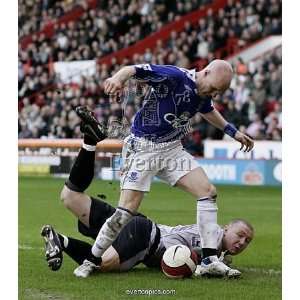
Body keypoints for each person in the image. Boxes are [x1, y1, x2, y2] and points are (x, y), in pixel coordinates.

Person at [61, 59, 254, 278]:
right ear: (206, 72)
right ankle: (91, 260)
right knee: (126, 212)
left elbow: (208, 110)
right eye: (214, 88)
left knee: (207, 192)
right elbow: (134, 69)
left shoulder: (204, 94)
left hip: (171, 149)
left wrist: (234, 132)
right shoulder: (175, 77)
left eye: (218, 92)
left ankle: (209, 259)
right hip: (143, 148)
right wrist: (117, 78)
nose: (214, 94)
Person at [41, 194, 254, 277]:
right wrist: (194, 266)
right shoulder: (213, 235)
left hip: (142, 231)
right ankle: (60, 240)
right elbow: (173, 250)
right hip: (145, 236)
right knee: (102, 264)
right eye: (240, 235)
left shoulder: (217, 249)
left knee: (99, 261)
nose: (242, 242)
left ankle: (62, 239)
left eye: (247, 241)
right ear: (226, 228)